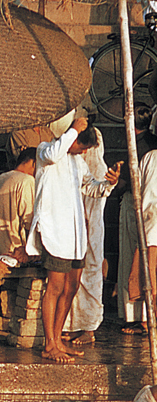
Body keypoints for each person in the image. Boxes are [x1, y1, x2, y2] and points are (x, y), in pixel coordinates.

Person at [25, 117, 118, 364]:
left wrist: (108, 184)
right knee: (54, 287)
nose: (85, 152)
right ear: (72, 139)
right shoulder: (46, 150)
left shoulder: (78, 162)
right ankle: (48, 344)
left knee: (72, 287)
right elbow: (56, 153)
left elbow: (90, 188)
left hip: (76, 235)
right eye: (82, 146)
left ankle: (57, 340)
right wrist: (74, 129)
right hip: (55, 231)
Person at [64, 125, 109, 347]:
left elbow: (93, 206)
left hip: (90, 231)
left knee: (90, 277)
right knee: (74, 277)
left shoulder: (98, 171)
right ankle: (74, 325)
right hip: (77, 229)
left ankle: (89, 328)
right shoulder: (78, 166)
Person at [119, 105, 157, 335]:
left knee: (146, 269)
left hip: (147, 219)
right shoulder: (150, 151)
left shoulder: (148, 154)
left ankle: (143, 319)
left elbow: (147, 199)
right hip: (146, 217)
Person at [0, 147, 36, 264]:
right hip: (11, 248)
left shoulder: (2, 177)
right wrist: (29, 250)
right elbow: (28, 220)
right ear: (34, 163)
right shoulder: (27, 180)